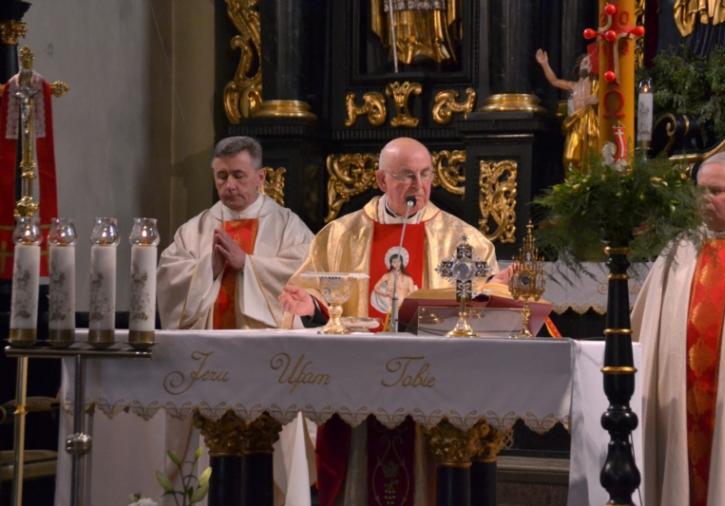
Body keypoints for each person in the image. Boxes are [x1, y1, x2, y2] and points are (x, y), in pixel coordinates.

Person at [280, 136, 511, 506]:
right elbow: (317, 296)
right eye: (405, 176)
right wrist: (311, 308)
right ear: (381, 180)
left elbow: (480, 310)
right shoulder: (339, 236)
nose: (418, 186)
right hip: (357, 390)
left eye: (425, 174)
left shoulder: (464, 240)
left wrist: (494, 292)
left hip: (431, 391)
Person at [632, 151, 725, 506]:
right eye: (700, 190)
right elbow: (645, 331)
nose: (704, 200)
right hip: (680, 398)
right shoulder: (680, 249)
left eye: (716, 191)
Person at [157, 135, 314, 330]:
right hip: (206, 345)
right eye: (222, 176)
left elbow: (308, 271)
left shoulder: (287, 225)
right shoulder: (194, 230)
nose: (230, 185)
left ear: (260, 177)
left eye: (238, 175)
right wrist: (209, 268)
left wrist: (247, 264)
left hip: (265, 344)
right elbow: (169, 277)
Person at [536, 48, 599, 174]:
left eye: (590, 63)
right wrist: (544, 64)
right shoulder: (572, 85)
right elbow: (554, 81)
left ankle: (588, 181)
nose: (587, 65)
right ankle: (572, 182)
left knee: (589, 157)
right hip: (574, 125)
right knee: (570, 156)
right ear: (579, 66)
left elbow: (603, 96)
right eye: (585, 62)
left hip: (589, 126)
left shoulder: (595, 85)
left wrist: (596, 99)